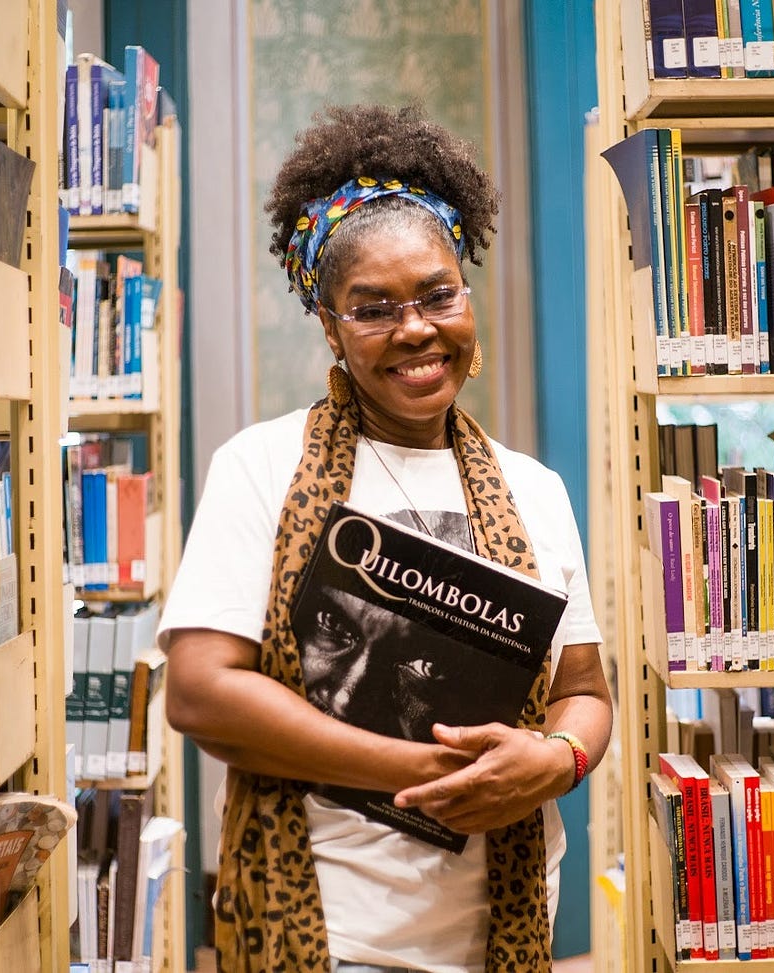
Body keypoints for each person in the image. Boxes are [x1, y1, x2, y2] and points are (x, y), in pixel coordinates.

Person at [159, 103, 612, 973]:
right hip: (328, 938)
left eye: (439, 294)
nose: (416, 328)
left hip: (505, 934)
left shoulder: (536, 490)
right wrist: (428, 771)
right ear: (330, 326)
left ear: (467, 297)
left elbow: (586, 690)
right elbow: (201, 693)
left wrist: (556, 760)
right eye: (373, 308)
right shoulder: (261, 467)